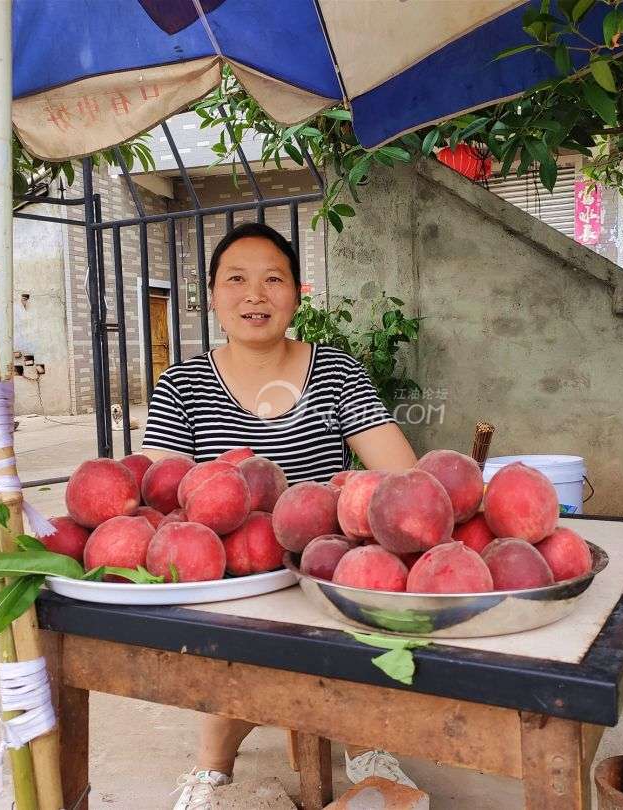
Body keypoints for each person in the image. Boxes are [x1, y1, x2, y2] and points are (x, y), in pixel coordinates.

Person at [140, 222, 420, 810]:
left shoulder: (336, 370)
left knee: (366, 615)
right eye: (236, 279)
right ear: (212, 296)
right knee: (232, 649)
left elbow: (400, 475)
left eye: (274, 279)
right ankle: (214, 764)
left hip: (323, 568)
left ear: (298, 293)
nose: (255, 295)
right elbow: (159, 495)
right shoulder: (183, 382)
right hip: (230, 576)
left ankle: (364, 740)